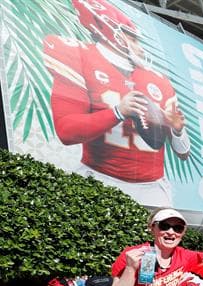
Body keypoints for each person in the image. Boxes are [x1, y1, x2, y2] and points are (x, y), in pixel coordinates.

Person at [42, 0, 190, 206]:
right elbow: (66, 131)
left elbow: (183, 154)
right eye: (133, 40)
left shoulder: (159, 80)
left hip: (152, 188)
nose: (140, 49)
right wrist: (118, 112)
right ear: (111, 33)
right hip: (98, 178)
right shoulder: (80, 57)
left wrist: (177, 131)